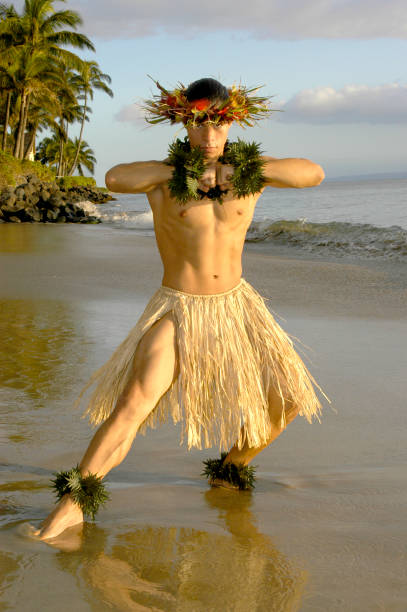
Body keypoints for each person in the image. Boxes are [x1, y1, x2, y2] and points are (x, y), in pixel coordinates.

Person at [33, 77, 328, 540]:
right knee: (134, 402)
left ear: (233, 123)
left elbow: (313, 173)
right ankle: (72, 506)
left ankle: (230, 468)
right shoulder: (163, 180)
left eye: (218, 125)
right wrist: (179, 171)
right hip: (177, 308)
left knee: (288, 402)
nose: (209, 138)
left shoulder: (249, 176)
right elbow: (114, 178)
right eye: (198, 124)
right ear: (183, 123)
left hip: (236, 308)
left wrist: (238, 170)